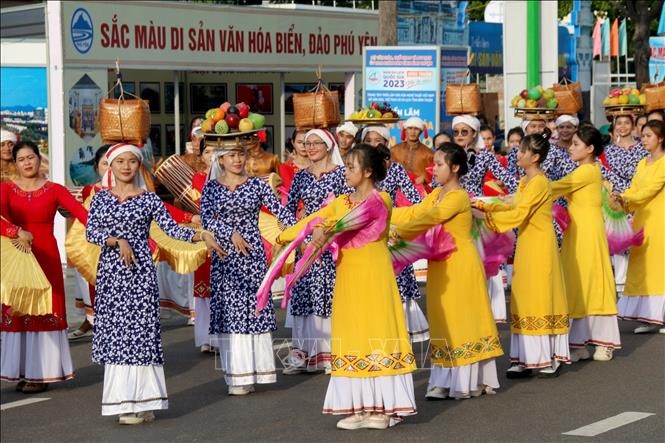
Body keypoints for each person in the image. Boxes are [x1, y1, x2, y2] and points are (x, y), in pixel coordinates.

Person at [277, 144, 417, 430]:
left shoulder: (382, 200)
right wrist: (285, 237)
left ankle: (383, 407)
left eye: (351, 167)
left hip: (375, 277)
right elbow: (314, 219)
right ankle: (358, 406)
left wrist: (323, 229)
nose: (346, 172)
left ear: (367, 172)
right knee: (352, 335)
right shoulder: (341, 200)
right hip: (348, 277)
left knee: (377, 333)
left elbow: (349, 221)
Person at [86, 143, 223, 424]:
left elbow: (171, 229)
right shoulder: (100, 198)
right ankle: (122, 402)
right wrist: (116, 240)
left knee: (141, 334)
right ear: (110, 166)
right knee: (117, 335)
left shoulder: (148, 199)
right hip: (111, 275)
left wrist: (201, 236)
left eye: (132, 162)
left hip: (140, 275)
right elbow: (91, 232)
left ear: (139, 166)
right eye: (120, 162)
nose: (126, 167)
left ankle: (144, 400)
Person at [393, 143, 503, 400]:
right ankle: (443, 380)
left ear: (454, 168)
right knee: (442, 320)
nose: (434, 168)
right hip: (440, 265)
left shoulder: (458, 197)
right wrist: (382, 212)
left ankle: (466, 381)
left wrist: (396, 230)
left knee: (462, 321)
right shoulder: (437, 194)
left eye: (440, 164)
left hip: (461, 265)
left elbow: (430, 218)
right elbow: (415, 211)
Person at [473, 128, 570, 378]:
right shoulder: (527, 180)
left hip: (540, 246)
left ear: (535, 156)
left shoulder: (539, 182)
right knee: (524, 296)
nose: (518, 153)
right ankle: (526, 357)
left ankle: (545, 356)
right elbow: (512, 202)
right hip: (527, 244)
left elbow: (519, 212)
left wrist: (485, 215)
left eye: (523, 150)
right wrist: (484, 203)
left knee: (538, 296)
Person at [201, 142, 295, 396]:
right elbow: (207, 219)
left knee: (252, 311)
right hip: (223, 256)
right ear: (220, 160)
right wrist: (229, 233)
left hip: (251, 256)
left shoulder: (257, 185)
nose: (237, 159)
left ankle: (256, 371)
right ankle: (236, 375)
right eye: (231, 155)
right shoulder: (211, 188)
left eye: (240, 154)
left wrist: (305, 231)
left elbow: (280, 213)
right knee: (230, 313)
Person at [0, 141, 88, 393]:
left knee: (43, 311)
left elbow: (83, 215)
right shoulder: (5, 189)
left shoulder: (55, 190)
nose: (27, 163)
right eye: (21, 159)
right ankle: (21, 371)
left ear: (40, 160)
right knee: (18, 310)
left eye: (31, 157)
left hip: (46, 256)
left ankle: (40, 374)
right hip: (15, 257)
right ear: (15, 163)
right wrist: (15, 230)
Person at [551, 126, 621, 361]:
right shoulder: (586, 169)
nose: (571, 148)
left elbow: (553, 188)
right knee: (576, 281)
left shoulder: (586, 172)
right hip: (577, 231)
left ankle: (605, 342)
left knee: (594, 281)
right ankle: (578, 342)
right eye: (571, 144)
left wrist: (528, 186)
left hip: (588, 232)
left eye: (576, 145)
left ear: (590, 149)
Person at [283, 129, 348, 374]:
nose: (310, 148)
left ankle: (331, 354)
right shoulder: (300, 177)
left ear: (329, 146)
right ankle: (301, 355)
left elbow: (348, 209)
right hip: (305, 244)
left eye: (316, 143)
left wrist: (330, 235)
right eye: (307, 143)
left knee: (329, 294)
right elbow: (287, 212)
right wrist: (297, 239)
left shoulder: (342, 174)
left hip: (332, 242)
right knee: (304, 295)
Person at [362, 125, 429, 343]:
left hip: (388, 235)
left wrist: (394, 219)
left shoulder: (396, 170)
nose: (373, 144)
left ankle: (397, 335)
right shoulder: (355, 169)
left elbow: (415, 199)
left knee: (396, 284)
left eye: (378, 139)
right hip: (362, 236)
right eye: (369, 140)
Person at [612, 120, 665, 334]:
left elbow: (648, 191)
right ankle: (650, 317)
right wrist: (620, 201)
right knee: (643, 267)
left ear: (661, 138)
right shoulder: (643, 163)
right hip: (642, 220)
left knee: (659, 267)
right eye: (642, 136)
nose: (644, 140)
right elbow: (635, 189)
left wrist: (624, 198)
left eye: (649, 136)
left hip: (660, 220)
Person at [600, 113, 648, 297]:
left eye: (627, 122)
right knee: (620, 242)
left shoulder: (643, 148)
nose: (622, 126)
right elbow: (603, 173)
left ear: (633, 124)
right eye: (618, 123)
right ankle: (621, 289)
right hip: (617, 200)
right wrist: (619, 191)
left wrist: (632, 190)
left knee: (638, 241)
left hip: (638, 199)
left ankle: (639, 286)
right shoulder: (608, 151)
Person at [69, 144, 111, 340]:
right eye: (105, 164)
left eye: (114, 163)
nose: (110, 169)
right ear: (96, 166)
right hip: (95, 249)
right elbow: (81, 218)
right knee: (95, 288)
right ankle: (99, 327)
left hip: (122, 250)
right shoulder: (89, 190)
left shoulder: (133, 191)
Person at [390, 117, 434, 191]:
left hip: (419, 192)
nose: (413, 132)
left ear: (421, 131)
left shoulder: (428, 153)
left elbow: (435, 171)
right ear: (405, 130)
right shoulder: (394, 150)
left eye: (416, 129)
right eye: (410, 128)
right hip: (397, 191)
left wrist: (425, 177)